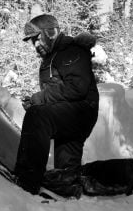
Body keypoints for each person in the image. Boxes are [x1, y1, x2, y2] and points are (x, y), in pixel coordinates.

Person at [14, 14, 99, 198]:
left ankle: (25, 182)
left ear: (50, 33)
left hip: (81, 111)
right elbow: (59, 90)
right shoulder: (53, 56)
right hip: (71, 114)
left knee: (38, 117)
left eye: (37, 38)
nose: (35, 44)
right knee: (65, 177)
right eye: (32, 41)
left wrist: (40, 100)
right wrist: (39, 101)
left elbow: (77, 87)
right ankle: (120, 177)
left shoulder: (71, 51)